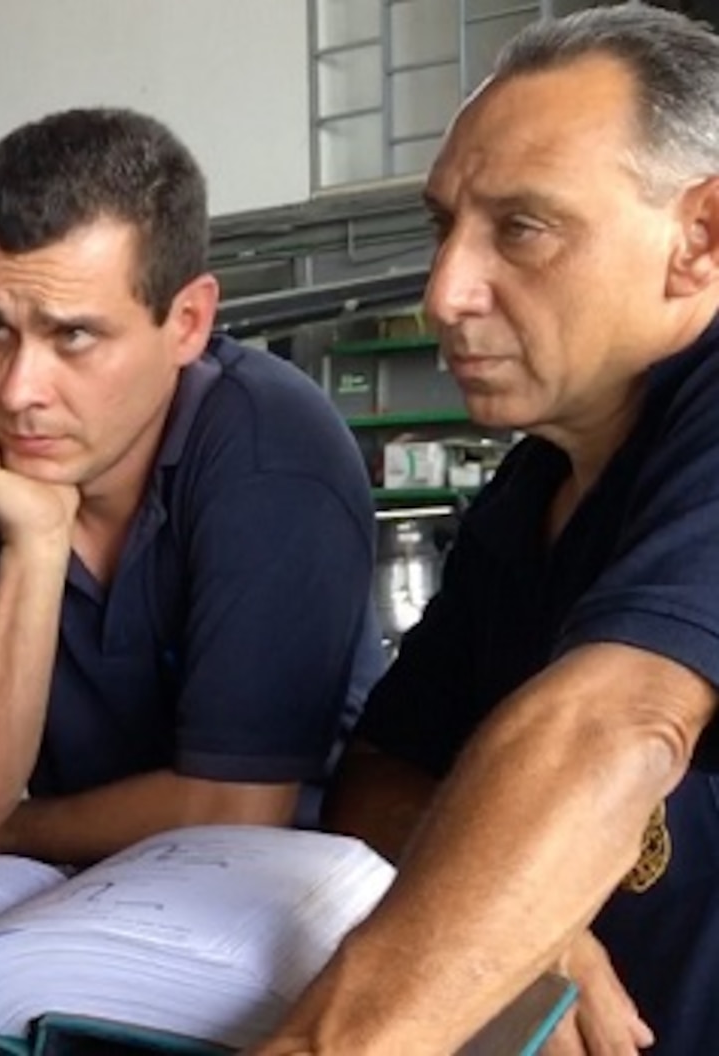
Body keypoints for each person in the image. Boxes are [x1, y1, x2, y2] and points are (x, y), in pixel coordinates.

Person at [259, 7, 719, 1054]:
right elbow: (375, 774)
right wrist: (535, 928)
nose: (442, 292)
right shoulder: (534, 484)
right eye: (441, 228)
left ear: (697, 237)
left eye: (520, 227)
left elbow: (611, 722)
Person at [0, 109, 383, 867]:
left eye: (72, 335)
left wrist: (8, 827)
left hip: (269, 902)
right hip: (32, 924)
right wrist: (36, 545)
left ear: (188, 322)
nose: (17, 392)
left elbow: (235, 812)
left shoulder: (273, 451)